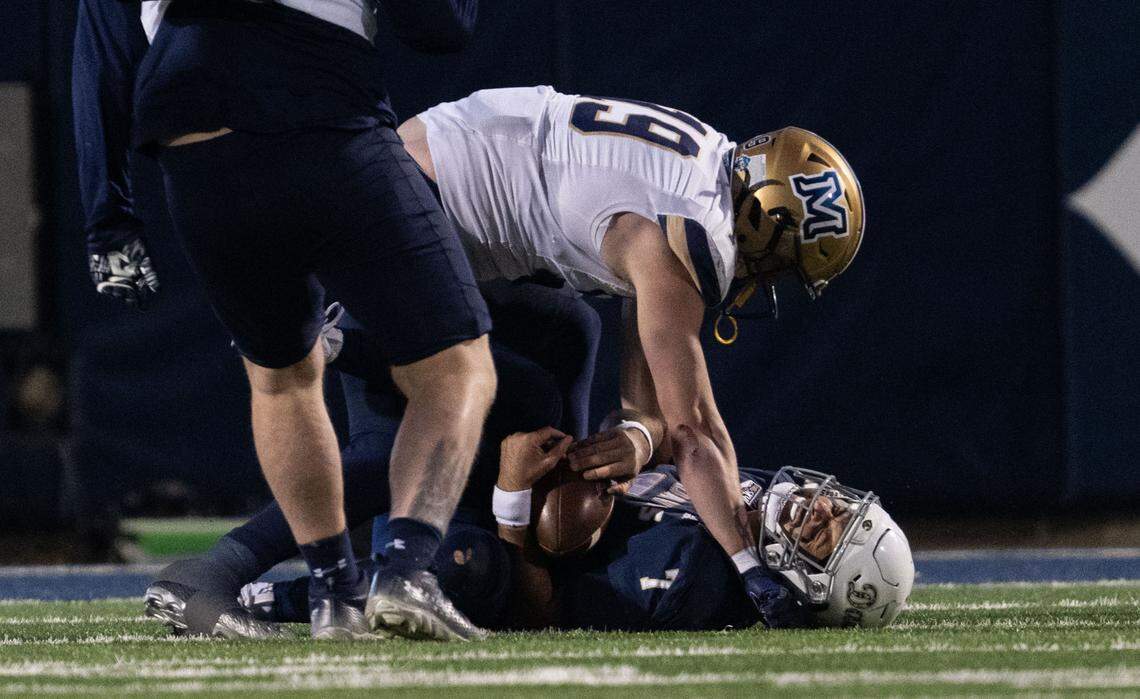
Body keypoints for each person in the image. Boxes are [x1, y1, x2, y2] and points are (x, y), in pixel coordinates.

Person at [72, 0, 495, 640]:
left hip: (194, 145)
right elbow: (438, 27)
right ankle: (405, 571)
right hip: (319, 103)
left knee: (281, 377)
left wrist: (109, 215)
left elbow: (102, 46)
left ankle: (336, 596)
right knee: (456, 368)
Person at [394, 86, 867, 606]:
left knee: (570, 336)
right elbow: (695, 430)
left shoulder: (705, 163)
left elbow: (654, 403)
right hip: (433, 193)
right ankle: (360, 578)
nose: (769, 279)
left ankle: (471, 547)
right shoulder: (695, 231)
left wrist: (638, 436)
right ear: (763, 218)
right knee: (406, 415)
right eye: (781, 261)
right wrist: (748, 564)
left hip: (454, 159)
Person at [145, 279, 601, 638]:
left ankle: (272, 594)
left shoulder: (572, 318)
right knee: (401, 450)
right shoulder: (584, 200)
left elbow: (556, 464)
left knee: (471, 571)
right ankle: (222, 568)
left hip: (472, 445)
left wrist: (522, 502)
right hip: (406, 312)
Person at [240, 427, 914, 633]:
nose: (819, 508)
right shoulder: (752, 492)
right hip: (537, 470)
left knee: (466, 568)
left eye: (829, 534)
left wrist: (510, 496)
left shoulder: (695, 583)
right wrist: (639, 438)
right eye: (839, 506)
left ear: (814, 586)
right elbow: (675, 434)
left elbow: (540, 609)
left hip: (505, 548)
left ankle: (296, 594)